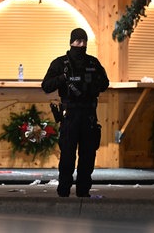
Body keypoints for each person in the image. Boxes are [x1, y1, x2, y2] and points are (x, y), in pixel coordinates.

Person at [41, 28, 109, 197]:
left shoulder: (93, 63)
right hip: (70, 115)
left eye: (84, 42)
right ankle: (64, 190)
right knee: (67, 155)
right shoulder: (61, 63)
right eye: (78, 42)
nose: (81, 45)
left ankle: (83, 191)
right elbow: (46, 86)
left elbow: (105, 83)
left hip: (89, 115)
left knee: (88, 155)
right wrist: (62, 79)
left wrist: (93, 84)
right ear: (71, 42)